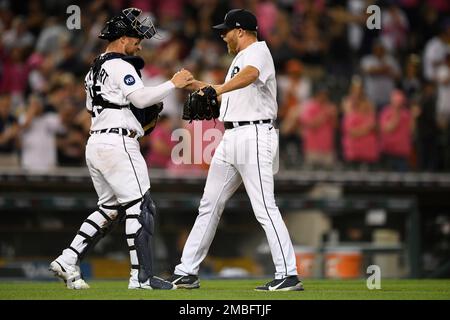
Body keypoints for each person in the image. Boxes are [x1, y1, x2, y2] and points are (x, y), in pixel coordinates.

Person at [49, 8, 193, 290]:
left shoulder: (94, 69)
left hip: (97, 143)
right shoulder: (121, 65)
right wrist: (172, 83)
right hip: (118, 143)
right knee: (142, 207)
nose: (139, 45)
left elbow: (95, 108)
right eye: (137, 39)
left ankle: (68, 258)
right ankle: (141, 278)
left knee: (109, 209)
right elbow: (140, 99)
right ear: (124, 38)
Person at [167, 9, 303, 292]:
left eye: (226, 30)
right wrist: (194, 85)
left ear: (241, 31)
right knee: (210, 203)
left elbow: (251, 76)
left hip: (255, 133)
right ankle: (186, 271)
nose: (222, 34)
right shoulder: (238, 60)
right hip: (231, 136)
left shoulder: (257, 53)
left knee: (264, 206)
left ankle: (288, 274)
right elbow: (223, 89)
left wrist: (216, 90)